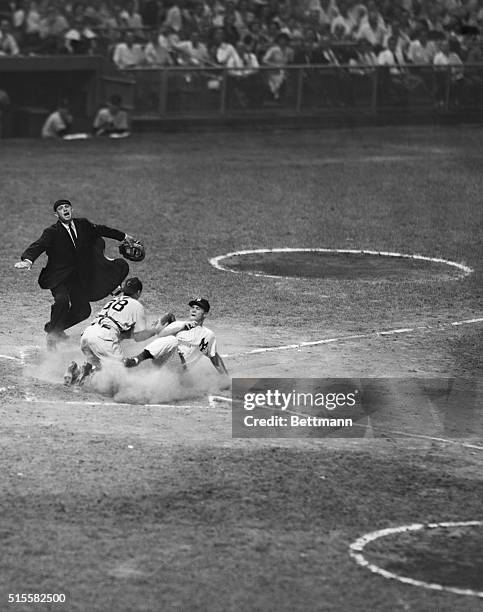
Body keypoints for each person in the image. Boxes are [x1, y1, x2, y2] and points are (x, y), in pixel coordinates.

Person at [15, 199, 135, 350]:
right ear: (56, 214)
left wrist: (123, 236)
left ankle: (54, 328)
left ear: (71, 210)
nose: (65, 210)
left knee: (83, 311)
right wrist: (28, 260)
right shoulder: (52, 232)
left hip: (79, 279)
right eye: (60, 208)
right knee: (62, 300)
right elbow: (39, 245)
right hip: (59, 278)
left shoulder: (83, 224)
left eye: (67, 207)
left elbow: (102, 230)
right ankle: (52, 338)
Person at [64, 277, 171, 385]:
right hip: (103, 338)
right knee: (121, 378)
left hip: (87, 335)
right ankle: (83, 371)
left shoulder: (114, 300)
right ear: (138, 292)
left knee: (102, 367)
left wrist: (144, 331)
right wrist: (155, 330)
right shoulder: (137, 305)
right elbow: (139, 336)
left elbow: (122, 332)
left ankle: (77, 370)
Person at [123, 297, 229, 379]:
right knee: (172, 340)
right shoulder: (178, 324)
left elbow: (215, 357)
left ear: (205, 314)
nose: (193, 310)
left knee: (153, 380)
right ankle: (136, 360)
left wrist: (226, 378)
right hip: (164, 360)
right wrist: (181, 328)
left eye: (198, 309)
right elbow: (160, 336)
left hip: (180, 370)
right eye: (192, 308)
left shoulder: (209, 334)